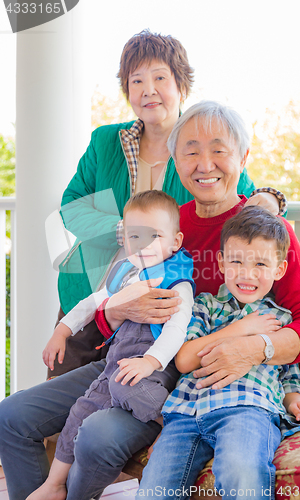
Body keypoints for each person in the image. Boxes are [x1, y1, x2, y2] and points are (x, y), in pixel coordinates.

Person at [0, 102, 300, 500]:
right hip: (124, 359)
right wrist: (116, 310)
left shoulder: (262, 233)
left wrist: (257, 347)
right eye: (190, 151)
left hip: (176, 381)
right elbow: (108, 313)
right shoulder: (166, 224)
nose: (205, 163)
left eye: (219, 150)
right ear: (175, 159)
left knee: (97, 435)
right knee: (11, 416)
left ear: (243, 157)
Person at [53, 29, 283, 377]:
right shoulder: (105, 142)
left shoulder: (196, 147)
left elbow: (244, 196)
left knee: (117, 394)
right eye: (136, 81)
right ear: (127, 90)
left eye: (160, 77)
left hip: (159, 308)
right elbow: (72, 205)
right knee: (58, 397)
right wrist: (124, 232)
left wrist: (273, 198)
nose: (148, 90)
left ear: (181, 85)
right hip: (95, 290)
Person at [136, 205, 300, 500]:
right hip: (186, 414)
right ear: (222, 262)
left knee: (242, 472)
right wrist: (243, 327)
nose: (247, 274)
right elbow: (185, 359)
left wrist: (296, 401)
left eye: (260, 264)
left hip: (248, 410)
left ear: (280, 269)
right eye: (237, 261)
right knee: (154, 490)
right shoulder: (204, 305)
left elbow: (288, 372)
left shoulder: (280, 319)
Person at [26, 190, 195, 500]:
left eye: (153, 235)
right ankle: (54, 483)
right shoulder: (124, 274)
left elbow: (177, 329)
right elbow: (92, 303)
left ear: (175, 241)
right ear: (124, 240)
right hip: (116, 365)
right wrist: (62, 330)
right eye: (134, 236)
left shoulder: (176, 282)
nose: (142, 245)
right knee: (80, 411)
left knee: (124, 386)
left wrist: (150, 362)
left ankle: (170, 419)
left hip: (153, 370)